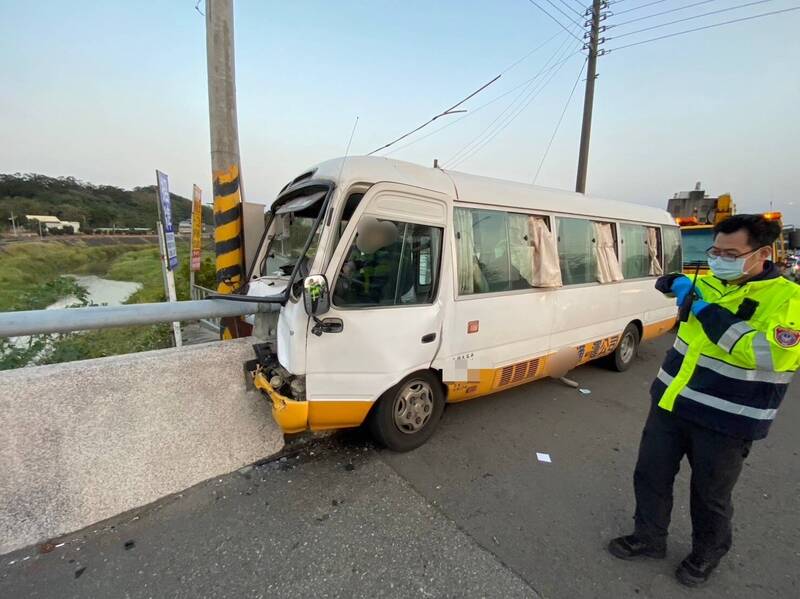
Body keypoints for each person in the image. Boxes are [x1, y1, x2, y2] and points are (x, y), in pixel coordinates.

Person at [608, 214, 800, 587]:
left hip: (727, 419)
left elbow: (766, 354)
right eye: (715, 250)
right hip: (672, 403)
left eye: (730, 253)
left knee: (710, 495)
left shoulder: (789, 301)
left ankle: (707, 552)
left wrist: (704, 310)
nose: (718, 259)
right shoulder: (711, 281)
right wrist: (677, 282)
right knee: (650, 476)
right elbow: (666, 284)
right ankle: (649, 538)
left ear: (762, 254)